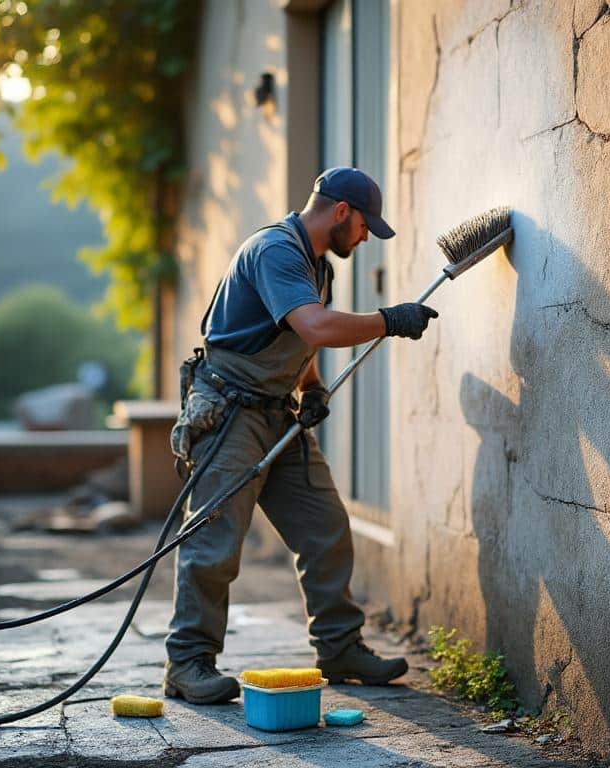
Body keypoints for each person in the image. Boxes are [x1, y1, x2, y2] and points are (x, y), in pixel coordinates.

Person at [164, 167, 437, 704]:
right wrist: (388, 319)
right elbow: (315, 326)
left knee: (325, 527)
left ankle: (339, 648)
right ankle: (188, 662)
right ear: (341, 212)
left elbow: (296, 338)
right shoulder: (275, 251)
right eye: (365, 226)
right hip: (230, 413)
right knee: (214, 543)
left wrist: (309, 387)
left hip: (277, 411)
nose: (366, 237)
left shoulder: (318, 266)